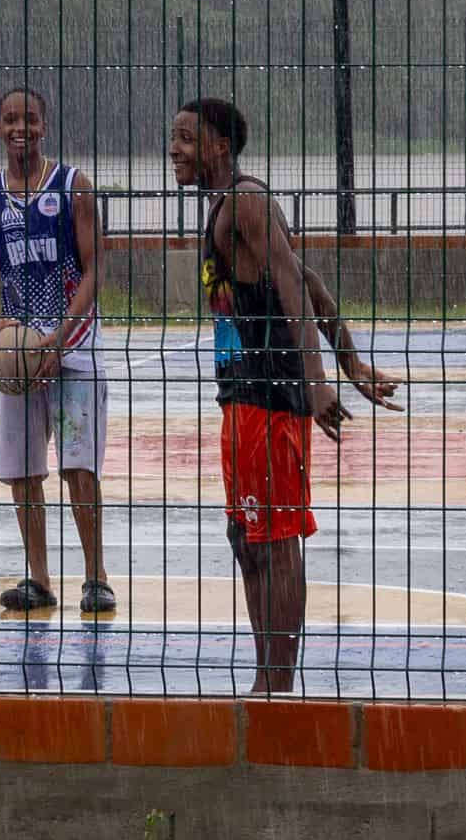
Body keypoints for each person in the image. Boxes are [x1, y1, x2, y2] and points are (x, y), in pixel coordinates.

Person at [170, 96, 402, 692]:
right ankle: (268, 676)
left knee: (272, 544)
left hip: (269, 402)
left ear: (220, 146)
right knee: (248, 539)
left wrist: (320, 379)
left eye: (188, 139)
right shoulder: (226, 206)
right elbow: (310, 278)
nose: (175, 150)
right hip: (242, 399)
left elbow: (295, 285)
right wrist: (351, 361)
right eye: (174, 139)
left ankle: (277, 683)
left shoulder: (246, 200)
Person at [0, 86, 115, 614]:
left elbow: (94, 271)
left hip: (72, 348)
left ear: (43, 126)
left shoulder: (73, 186)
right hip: (19, 352)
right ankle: (40, 578)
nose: (18, 127)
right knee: (24, 470)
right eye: (8, 119)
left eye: (27, 119)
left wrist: (61, 335)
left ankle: (96, 576)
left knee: (78, 468)